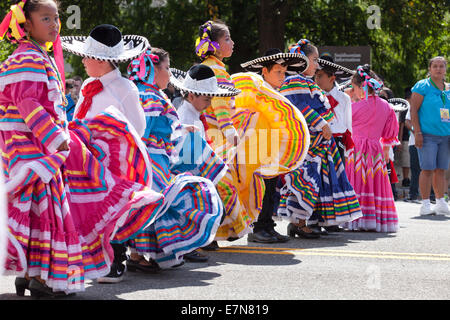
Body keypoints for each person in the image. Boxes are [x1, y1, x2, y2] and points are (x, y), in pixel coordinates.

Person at [0, 0, 164, 297]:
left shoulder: (34, 55)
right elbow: (27, 103)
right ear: (26, 24)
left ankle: (31, 274)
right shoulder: (29, 58)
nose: (54, 24)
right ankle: (43, 278)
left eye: (56, 17)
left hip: (38, 147)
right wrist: (55, 138)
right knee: (48, 212)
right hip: (37, 147)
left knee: (41, 212)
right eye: (46, 18)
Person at [61, 24, 165, 283]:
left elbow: (137, 127)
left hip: (114, 159)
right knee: (85, 209)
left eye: (87, 56)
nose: (83, 60)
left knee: (115, 210)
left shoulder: (125, 88)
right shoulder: (88, 84)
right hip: (85, 156)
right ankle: (90, 259)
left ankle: (115, 259)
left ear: (101, 60)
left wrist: (111, 141)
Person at [125, 47, 227, 269]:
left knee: (150, 206)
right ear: (153, 69)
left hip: (151, 160)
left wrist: (181, 128)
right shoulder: (150, 96)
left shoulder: (147, 93)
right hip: (152, 160)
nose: (170, 73)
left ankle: (139, 255)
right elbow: (145, 131)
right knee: (153, 205)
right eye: (167, 67)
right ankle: (138, 255)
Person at [277, 39, 362, 238]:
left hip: (318, 142)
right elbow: (300, 107)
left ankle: (306, 221)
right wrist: (322, 124)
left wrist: (325, 126)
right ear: (302, 59)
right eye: (314, 59)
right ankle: (298, 222)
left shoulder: (305, 81)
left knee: (316, 181)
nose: (316, 64)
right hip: (306, 142)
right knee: (306, 180)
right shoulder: (294, 80)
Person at [236, 48, 310, 243]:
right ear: (264, 72)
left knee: (271, 187)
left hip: (272, 146)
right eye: (278, 72)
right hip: (256, 146)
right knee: (260, 186)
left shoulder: (277, 95)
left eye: (284, 72)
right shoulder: (253, 90)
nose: (282, 76)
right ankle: (258, 226)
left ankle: (267, 224)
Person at [195, 20, 252, 245]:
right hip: (215, 136)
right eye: (227, 38)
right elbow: (219, 103)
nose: (232, 42)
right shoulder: (216, 70)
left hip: (206, 134)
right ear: (215, 45)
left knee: (212, 184)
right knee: (219, 183)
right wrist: (229, 129)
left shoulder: (211, 67)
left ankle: (210, 235)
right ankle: (209, 235)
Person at [344, 65, 399, 232]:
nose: (353, 91)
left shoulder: (353, 107)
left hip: (357, 149)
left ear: (361, 87)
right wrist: (386, 150)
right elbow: (390, 133)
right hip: (376, 149)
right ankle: (377, 219)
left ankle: (357, 218)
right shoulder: (387, 107)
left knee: (358, 182)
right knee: (375, 183)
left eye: (354, 87)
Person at [410, 56, 450, 216]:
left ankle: (441, 202)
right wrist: (417, 132)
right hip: (427, 135)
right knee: (427, 169)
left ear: (446, 69)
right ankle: (425, 203)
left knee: (441, 170)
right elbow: (413, 110)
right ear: (430, 68)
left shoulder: (448, 88)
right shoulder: (422, 86)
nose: (438, 69)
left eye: (442, 66)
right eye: (435, 66)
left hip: (446, 136)